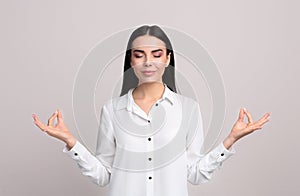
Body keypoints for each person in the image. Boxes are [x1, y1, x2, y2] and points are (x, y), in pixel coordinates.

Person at [32, 25, 271, 196]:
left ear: (167, 59)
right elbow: (104, 175)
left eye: (156, 54)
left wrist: (230, 140)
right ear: (131, 62)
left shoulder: (188, 109)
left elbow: (195, 174)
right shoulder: (112, 110)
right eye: (140, 55)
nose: (148, 62)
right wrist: (71, 142)